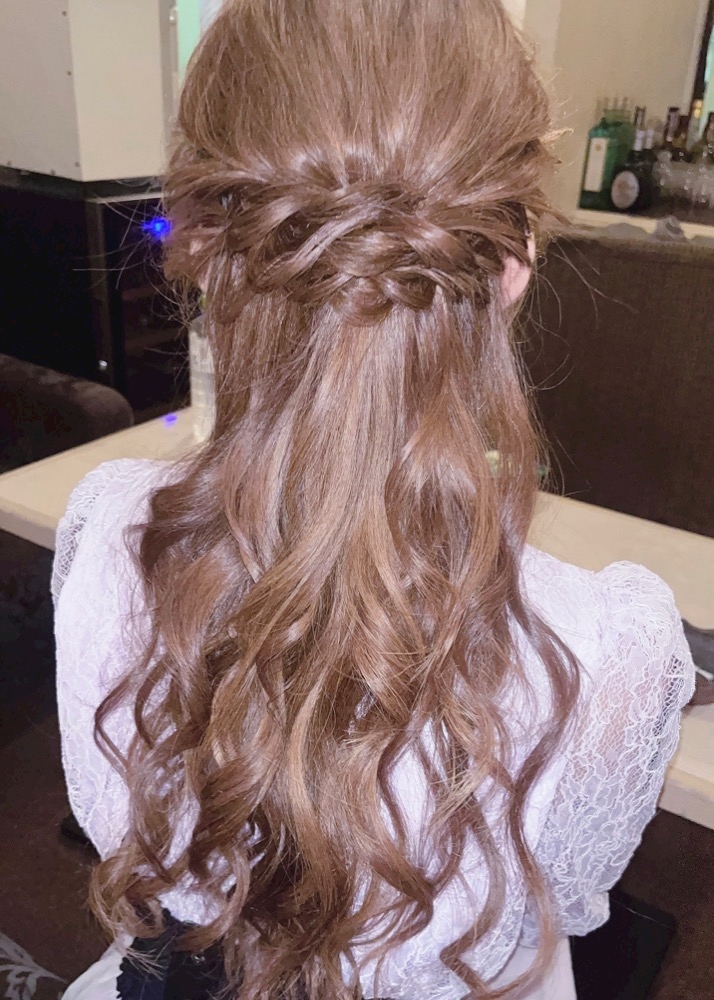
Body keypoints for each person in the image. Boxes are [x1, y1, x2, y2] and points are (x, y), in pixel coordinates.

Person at [54, 1, 695, 998]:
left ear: (204, 246)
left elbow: (133, 856)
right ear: (515, 262)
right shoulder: (609, 653)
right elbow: (563, 904)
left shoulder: (108, 535)